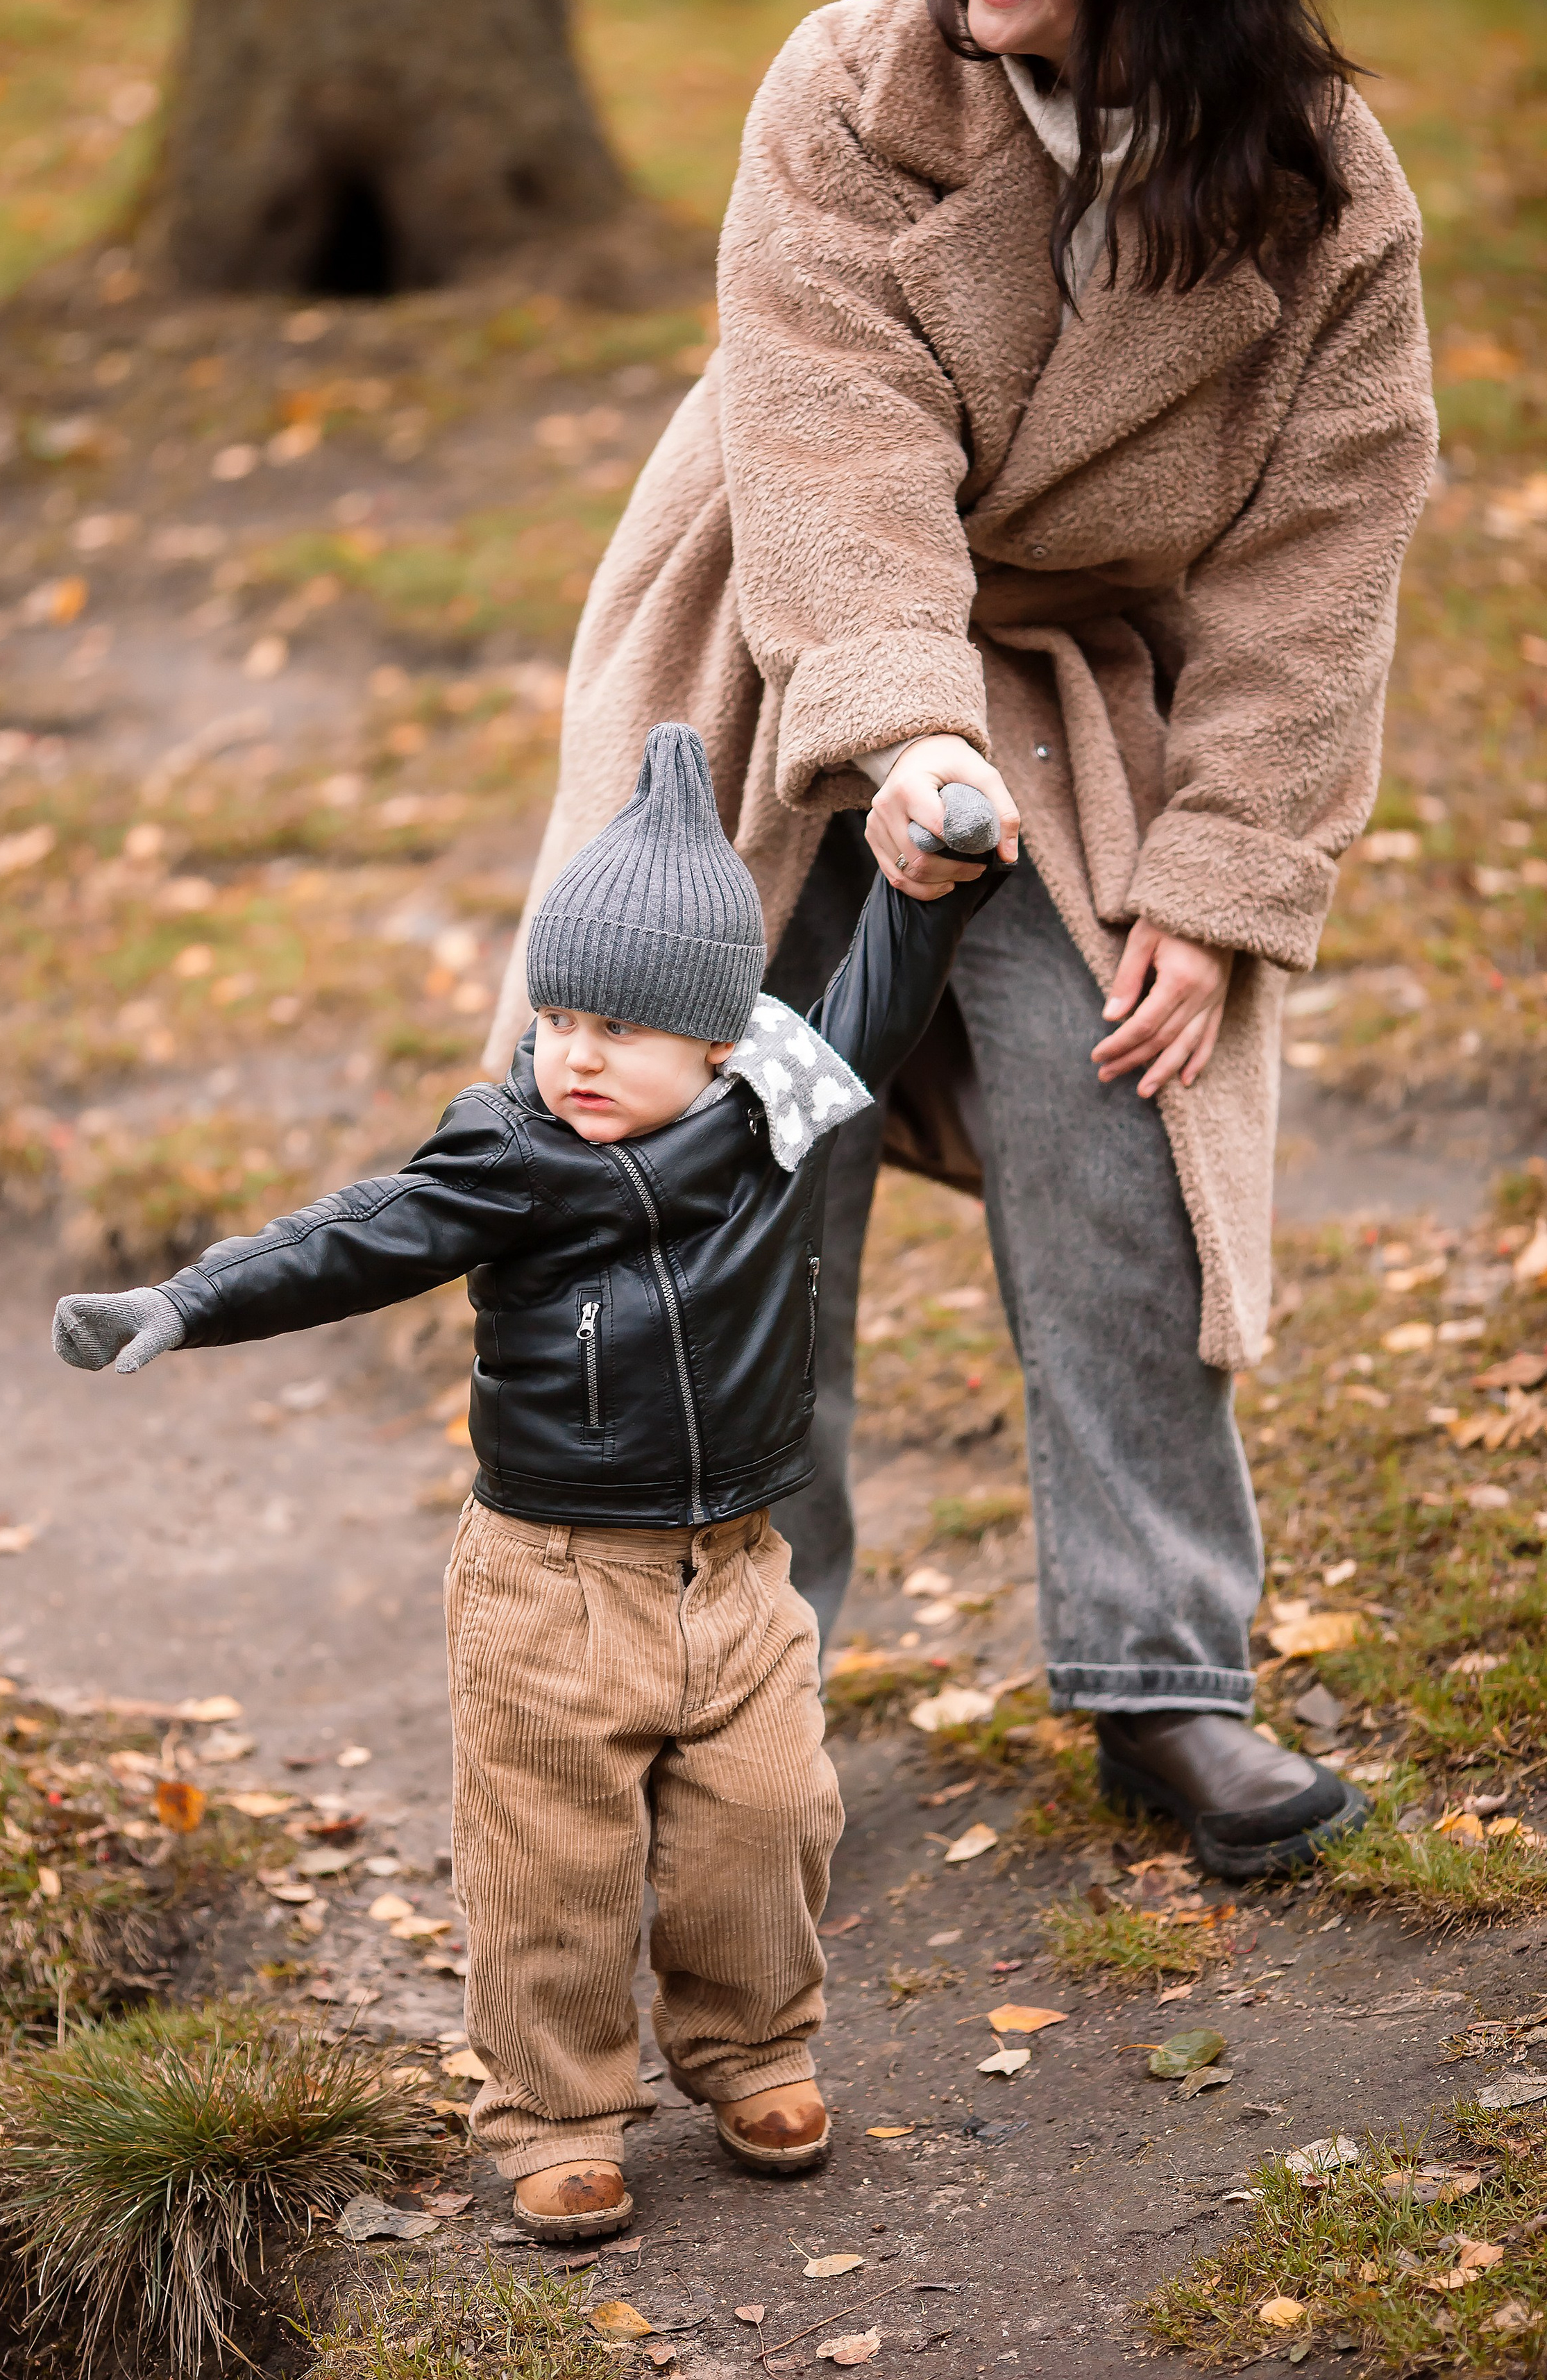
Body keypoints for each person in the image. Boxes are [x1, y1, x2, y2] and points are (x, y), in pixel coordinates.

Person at [484, 0, 1438, 1882]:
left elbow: (1325, 547)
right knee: (743, 1155)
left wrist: (1218, 882)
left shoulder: (1319, 188)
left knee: (1126, 1121)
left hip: (1082, 696)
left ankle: (1165, 1678)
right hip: (797, 657)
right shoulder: (849, 86)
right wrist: (906, 730)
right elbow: (829, 442)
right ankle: (737, 1689)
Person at [53, 725, 1001, 2240]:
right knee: (552, 1866)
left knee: (765, 1821)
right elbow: (348, 1235)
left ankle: (752, 2047)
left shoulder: (777, 1112)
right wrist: (185, 1299)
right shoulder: (508, 1155)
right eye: (556, 1016)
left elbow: (881, 985)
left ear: (714, 1037)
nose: (571, 1054)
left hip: (739, 1574)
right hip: (551, 1586)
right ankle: (556, 2113)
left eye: (615, 1028)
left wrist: (939, 865)